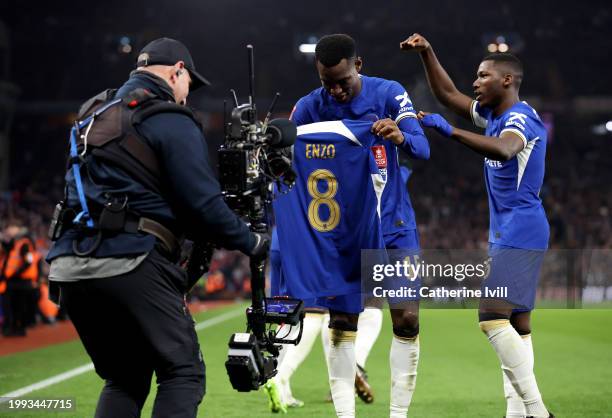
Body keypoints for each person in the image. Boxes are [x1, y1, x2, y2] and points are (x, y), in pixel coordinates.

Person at [46, 38, 268, 418]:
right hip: (129, 259)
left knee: (125, 377)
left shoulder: (93, 114)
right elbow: (203, 205)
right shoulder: (167, 118)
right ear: (176, 70)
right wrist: (253, 240)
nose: (186, 96)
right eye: (188, 84)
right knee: (182, 371)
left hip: (69, 264)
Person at [401, 33, 553, 418]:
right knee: (517, 325)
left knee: (490, 315)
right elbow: (449, 95)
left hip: (521, 228)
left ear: (507, 80)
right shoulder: (494, 115)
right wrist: (427, 53)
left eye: (483, 76)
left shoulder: (519, 118)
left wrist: (449, 131)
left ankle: (537, 412)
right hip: (511, 229)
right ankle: (516, 414)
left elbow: (505, 148)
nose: (475, 82)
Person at [286, 34, 430, 418]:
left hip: (393, 224)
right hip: (342, 233)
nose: (335, 90)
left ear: (359, 66)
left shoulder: (389, 94)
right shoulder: (307, 109)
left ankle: (398, 414)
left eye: (342, 81)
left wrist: (401, 136)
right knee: (343, 320)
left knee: (408, 317)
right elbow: (286, 160)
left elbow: (423, 147)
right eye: (326, 82)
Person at [1, 219, 41, 337]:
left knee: (20, 305)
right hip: (12, 281)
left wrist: (17, 272)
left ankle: (20, 328)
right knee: (11, 305)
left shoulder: (24, 242)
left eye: (12, 227)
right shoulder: (13, 243)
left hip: (22, 281)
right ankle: (12, 328)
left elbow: (29, 261)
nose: (9, 230)